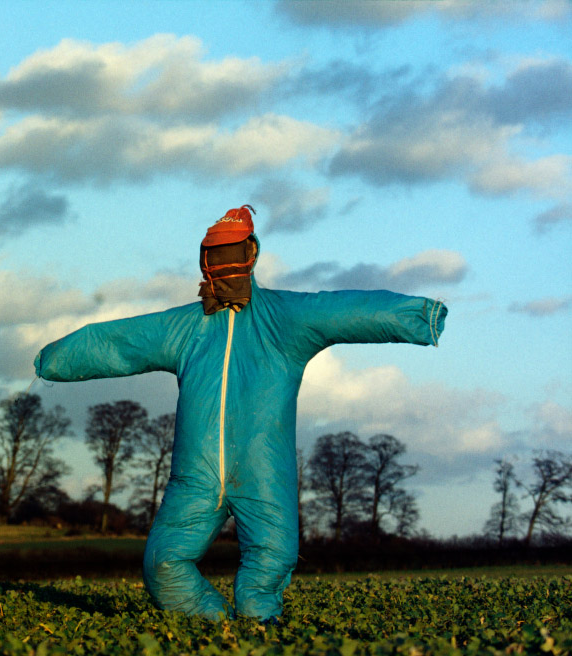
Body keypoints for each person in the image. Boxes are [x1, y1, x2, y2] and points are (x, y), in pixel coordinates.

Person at [33, 205, 447, 621]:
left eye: (229, 254)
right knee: (163, 564)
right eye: (215, 256)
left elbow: (351, 311)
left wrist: (420, 316)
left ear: (251, 253)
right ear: (206, 261)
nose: (222, 265)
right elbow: (119, 342)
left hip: (263, 475)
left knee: (264, 575)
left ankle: (260, 633)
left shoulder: (287, 319)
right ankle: (217, 631)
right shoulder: (186, 327)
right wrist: (54, 360)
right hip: (196, 476)